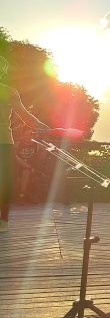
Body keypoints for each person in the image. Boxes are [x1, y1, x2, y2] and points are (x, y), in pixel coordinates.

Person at [1, 55, 50, 232]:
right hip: (4, 142)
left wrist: (44, 127)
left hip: (4, 142)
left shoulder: (9, 91)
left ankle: (3, 220)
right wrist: (45, 128)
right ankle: (3, 221)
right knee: (4, 182)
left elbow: (24, 115)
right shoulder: (9, 91)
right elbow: (25, 115)